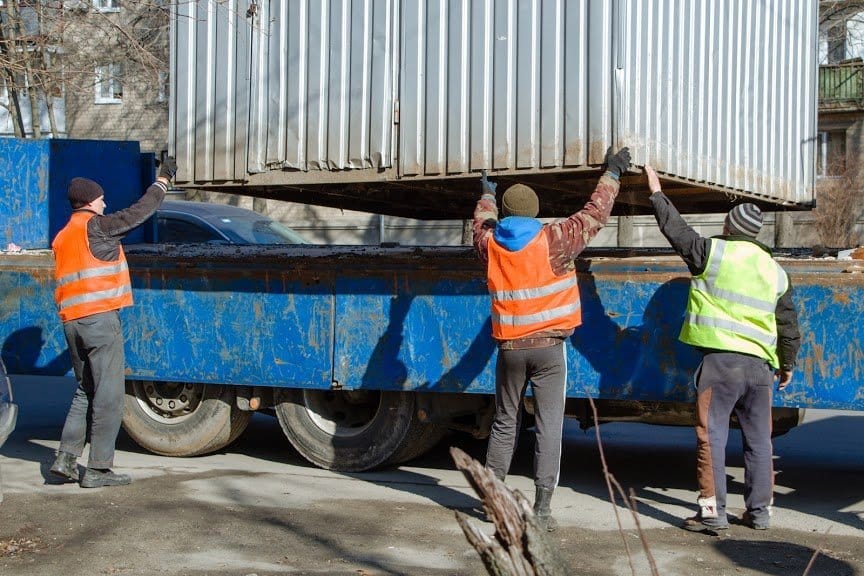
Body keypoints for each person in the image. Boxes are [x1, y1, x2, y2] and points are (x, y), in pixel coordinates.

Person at [473, 147, 632, 531]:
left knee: (504, 424)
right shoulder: (556, 239)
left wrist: (487, 193)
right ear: (535, 211)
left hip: (510, 349)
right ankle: (542, 509)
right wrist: (613, 173)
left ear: (506, 214)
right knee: (547, 425)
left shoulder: (491, 245)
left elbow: (480, 223)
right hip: (548, 350)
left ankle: (495, 502)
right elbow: (595, 213)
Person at [642, 165, 801, 532]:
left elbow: (675, 230)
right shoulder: (776, 270)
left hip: (721, 366)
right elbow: (787, 323)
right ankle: (759, 513)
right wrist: (787, 363)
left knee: (712, 436)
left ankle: (713, 515)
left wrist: (656, 191)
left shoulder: (712, 253)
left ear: (729, 228)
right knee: (759, 440)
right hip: (761, 368)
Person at [49, 157, 177, 488]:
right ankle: (98, 469)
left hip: (72, 322)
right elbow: (141, 211)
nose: (105, 203)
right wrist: (163, 180)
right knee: (109, 395)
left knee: (85, 389)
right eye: (102, 198)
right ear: (90, 201)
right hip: (99, 320)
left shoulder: (63, 236)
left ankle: (65, 459)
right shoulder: (97, 227)